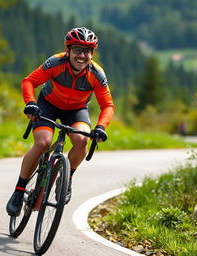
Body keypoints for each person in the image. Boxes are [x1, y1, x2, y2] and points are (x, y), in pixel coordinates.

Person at [6, 27, 115, 216]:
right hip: (48, 104)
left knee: (81, 141)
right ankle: (19, 190)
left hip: (76, 111)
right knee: (43, 142)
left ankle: (67, 178)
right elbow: (29, 81)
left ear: (92, 53)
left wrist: (100, 127)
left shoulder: (97, 74)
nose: (82, 55)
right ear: (68, 50)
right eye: (77, 50)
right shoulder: (55, 63)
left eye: (87, 51)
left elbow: (108, 106)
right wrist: (31, 103)